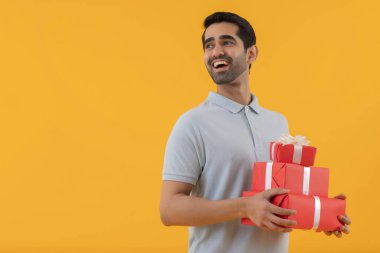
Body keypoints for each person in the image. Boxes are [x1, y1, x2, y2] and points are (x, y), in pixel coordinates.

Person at [160, 12, 351, 253]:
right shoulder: (192, 123)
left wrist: (318, 211)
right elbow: (169, 209)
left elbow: (277, 198)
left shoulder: (278, 123)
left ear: (251, 53)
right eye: (209, 45)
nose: (216, 51)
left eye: (226, 42)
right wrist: (244, 207)